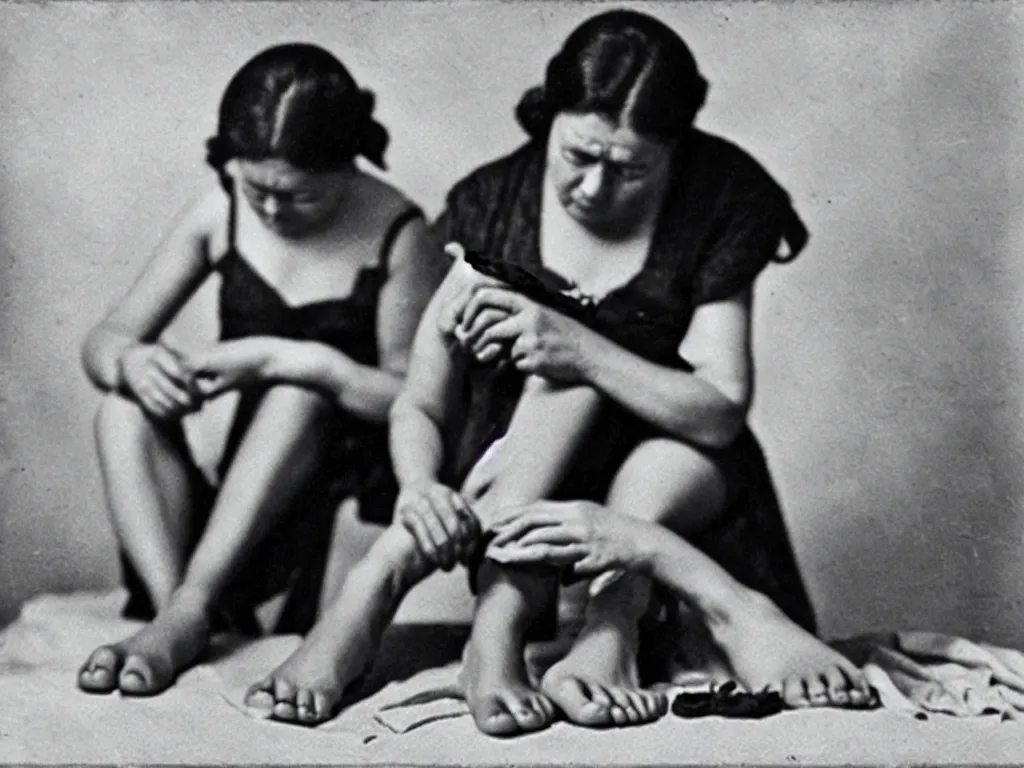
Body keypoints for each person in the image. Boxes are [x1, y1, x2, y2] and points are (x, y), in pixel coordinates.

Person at [244, 10, 873, 733]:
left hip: (679, 472)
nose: (596, 189)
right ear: (548, 122)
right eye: (577, 155)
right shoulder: (489, 206)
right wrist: (419, 490)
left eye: (631, 168)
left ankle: (546, 621)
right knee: (561, 392)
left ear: (676, 150)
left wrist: (580, 348)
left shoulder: (725, 193)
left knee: (602, 397)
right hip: (519, 475)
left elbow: (719, 410)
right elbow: (419, 401)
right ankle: (513, 621)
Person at [76, 43, 446, 698]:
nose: (272, 212)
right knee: (120, 407)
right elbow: (105, 341)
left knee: (296, 395)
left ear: (348, 165)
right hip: (219, 512)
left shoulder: (398, 231)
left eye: (300, 197)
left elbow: (414, 399)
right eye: (257, 190)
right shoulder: (220, 212)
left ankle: (191, 607)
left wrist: (300, 361)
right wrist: (132, 361)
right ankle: (179, 613)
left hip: (316, 515)